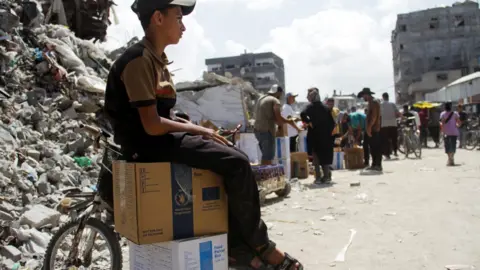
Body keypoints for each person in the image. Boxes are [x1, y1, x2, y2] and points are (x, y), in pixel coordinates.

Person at [103, 1, 302, 268]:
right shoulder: (138, 61)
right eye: (178, 18)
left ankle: (238, 251)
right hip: (147, 145)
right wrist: (199, 129)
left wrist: (199, 129)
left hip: (157, 140)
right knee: (239, 164)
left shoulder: (155, 58)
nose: (183, 26)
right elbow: (150, 125)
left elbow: (161, 113)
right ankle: (261, 246)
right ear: (158, 18)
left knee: (228, 158)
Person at [254, 85, 301, 165]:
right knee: (268, 157)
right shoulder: (275, 101)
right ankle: (266, 176)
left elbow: (272, 118)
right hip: (267, 131)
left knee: (265, 156)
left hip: (257, 131)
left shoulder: (261, 98)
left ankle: (264, 174)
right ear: (278, 93)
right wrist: (290, 121)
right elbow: (279, 120)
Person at [300, 88, 335, 184]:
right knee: (325, 157)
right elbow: (332, 123)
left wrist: (309, 122)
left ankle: (318, 178)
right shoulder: (326, 108)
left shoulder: (309, 107)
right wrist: (328, 132)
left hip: (315, 135)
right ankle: (327, 177)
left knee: (316, 156)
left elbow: (302, 114)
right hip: (325, 137)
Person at [357, 87, 382, 172]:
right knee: (371, 147)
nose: (363, 98)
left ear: (366, 95)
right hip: (371, 128)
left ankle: (377, 164)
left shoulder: (374, 103)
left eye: (363, 96)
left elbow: (374, 117)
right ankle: (374, 164)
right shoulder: (371, 102)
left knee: (375, 147)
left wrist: (369, 128)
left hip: (373, 129)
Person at [380, 92, 400, 159]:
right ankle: (395, 152)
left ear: (383, 97)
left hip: (384, 125)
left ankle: (387, 154)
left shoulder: (380, 105)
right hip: (393, 123)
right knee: (394, 139)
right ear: (388, 97)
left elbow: (379, 115)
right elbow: (397, 113)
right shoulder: (392, 104)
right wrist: (401, 117)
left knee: (385, 140)